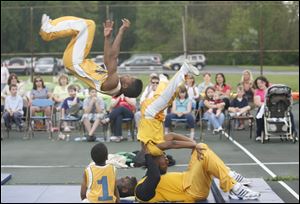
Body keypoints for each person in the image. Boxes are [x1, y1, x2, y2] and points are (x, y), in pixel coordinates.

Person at [40, 14, 143, 98]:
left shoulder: (114, 83)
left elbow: (113, 57)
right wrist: (107, 38)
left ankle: (48, 31)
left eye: (130, 78)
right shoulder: (114, 85)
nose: (128, 75)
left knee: (88, 25)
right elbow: (108, 58)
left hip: (75, 62)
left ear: (125, 85)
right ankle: (50, 28)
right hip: (76, 61)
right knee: (85, 26)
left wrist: (122, 31)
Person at [117, 143, 260, 202]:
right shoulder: (140, 193)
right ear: (125, 189)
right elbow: (154, 176)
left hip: (190, 180)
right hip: (191, 190)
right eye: (123, 180)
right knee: (204, 154)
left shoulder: (143, 182)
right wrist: (147, 153)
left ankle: (228, 174)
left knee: (200, 148)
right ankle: (232, 186)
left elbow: (170, 143)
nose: (127, 176)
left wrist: (192, 144)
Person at [138, 61, 200, 156]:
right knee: (169, 96)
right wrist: (192, 142)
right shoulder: (154, 143)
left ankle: (184, 70)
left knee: (166, 96)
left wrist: (193, 145)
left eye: (163, 162)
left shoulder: (153, 150)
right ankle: (163, 81)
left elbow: (173, 143)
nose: (166, 160)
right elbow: (172, 136)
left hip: (150, 112)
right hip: (152, 114)